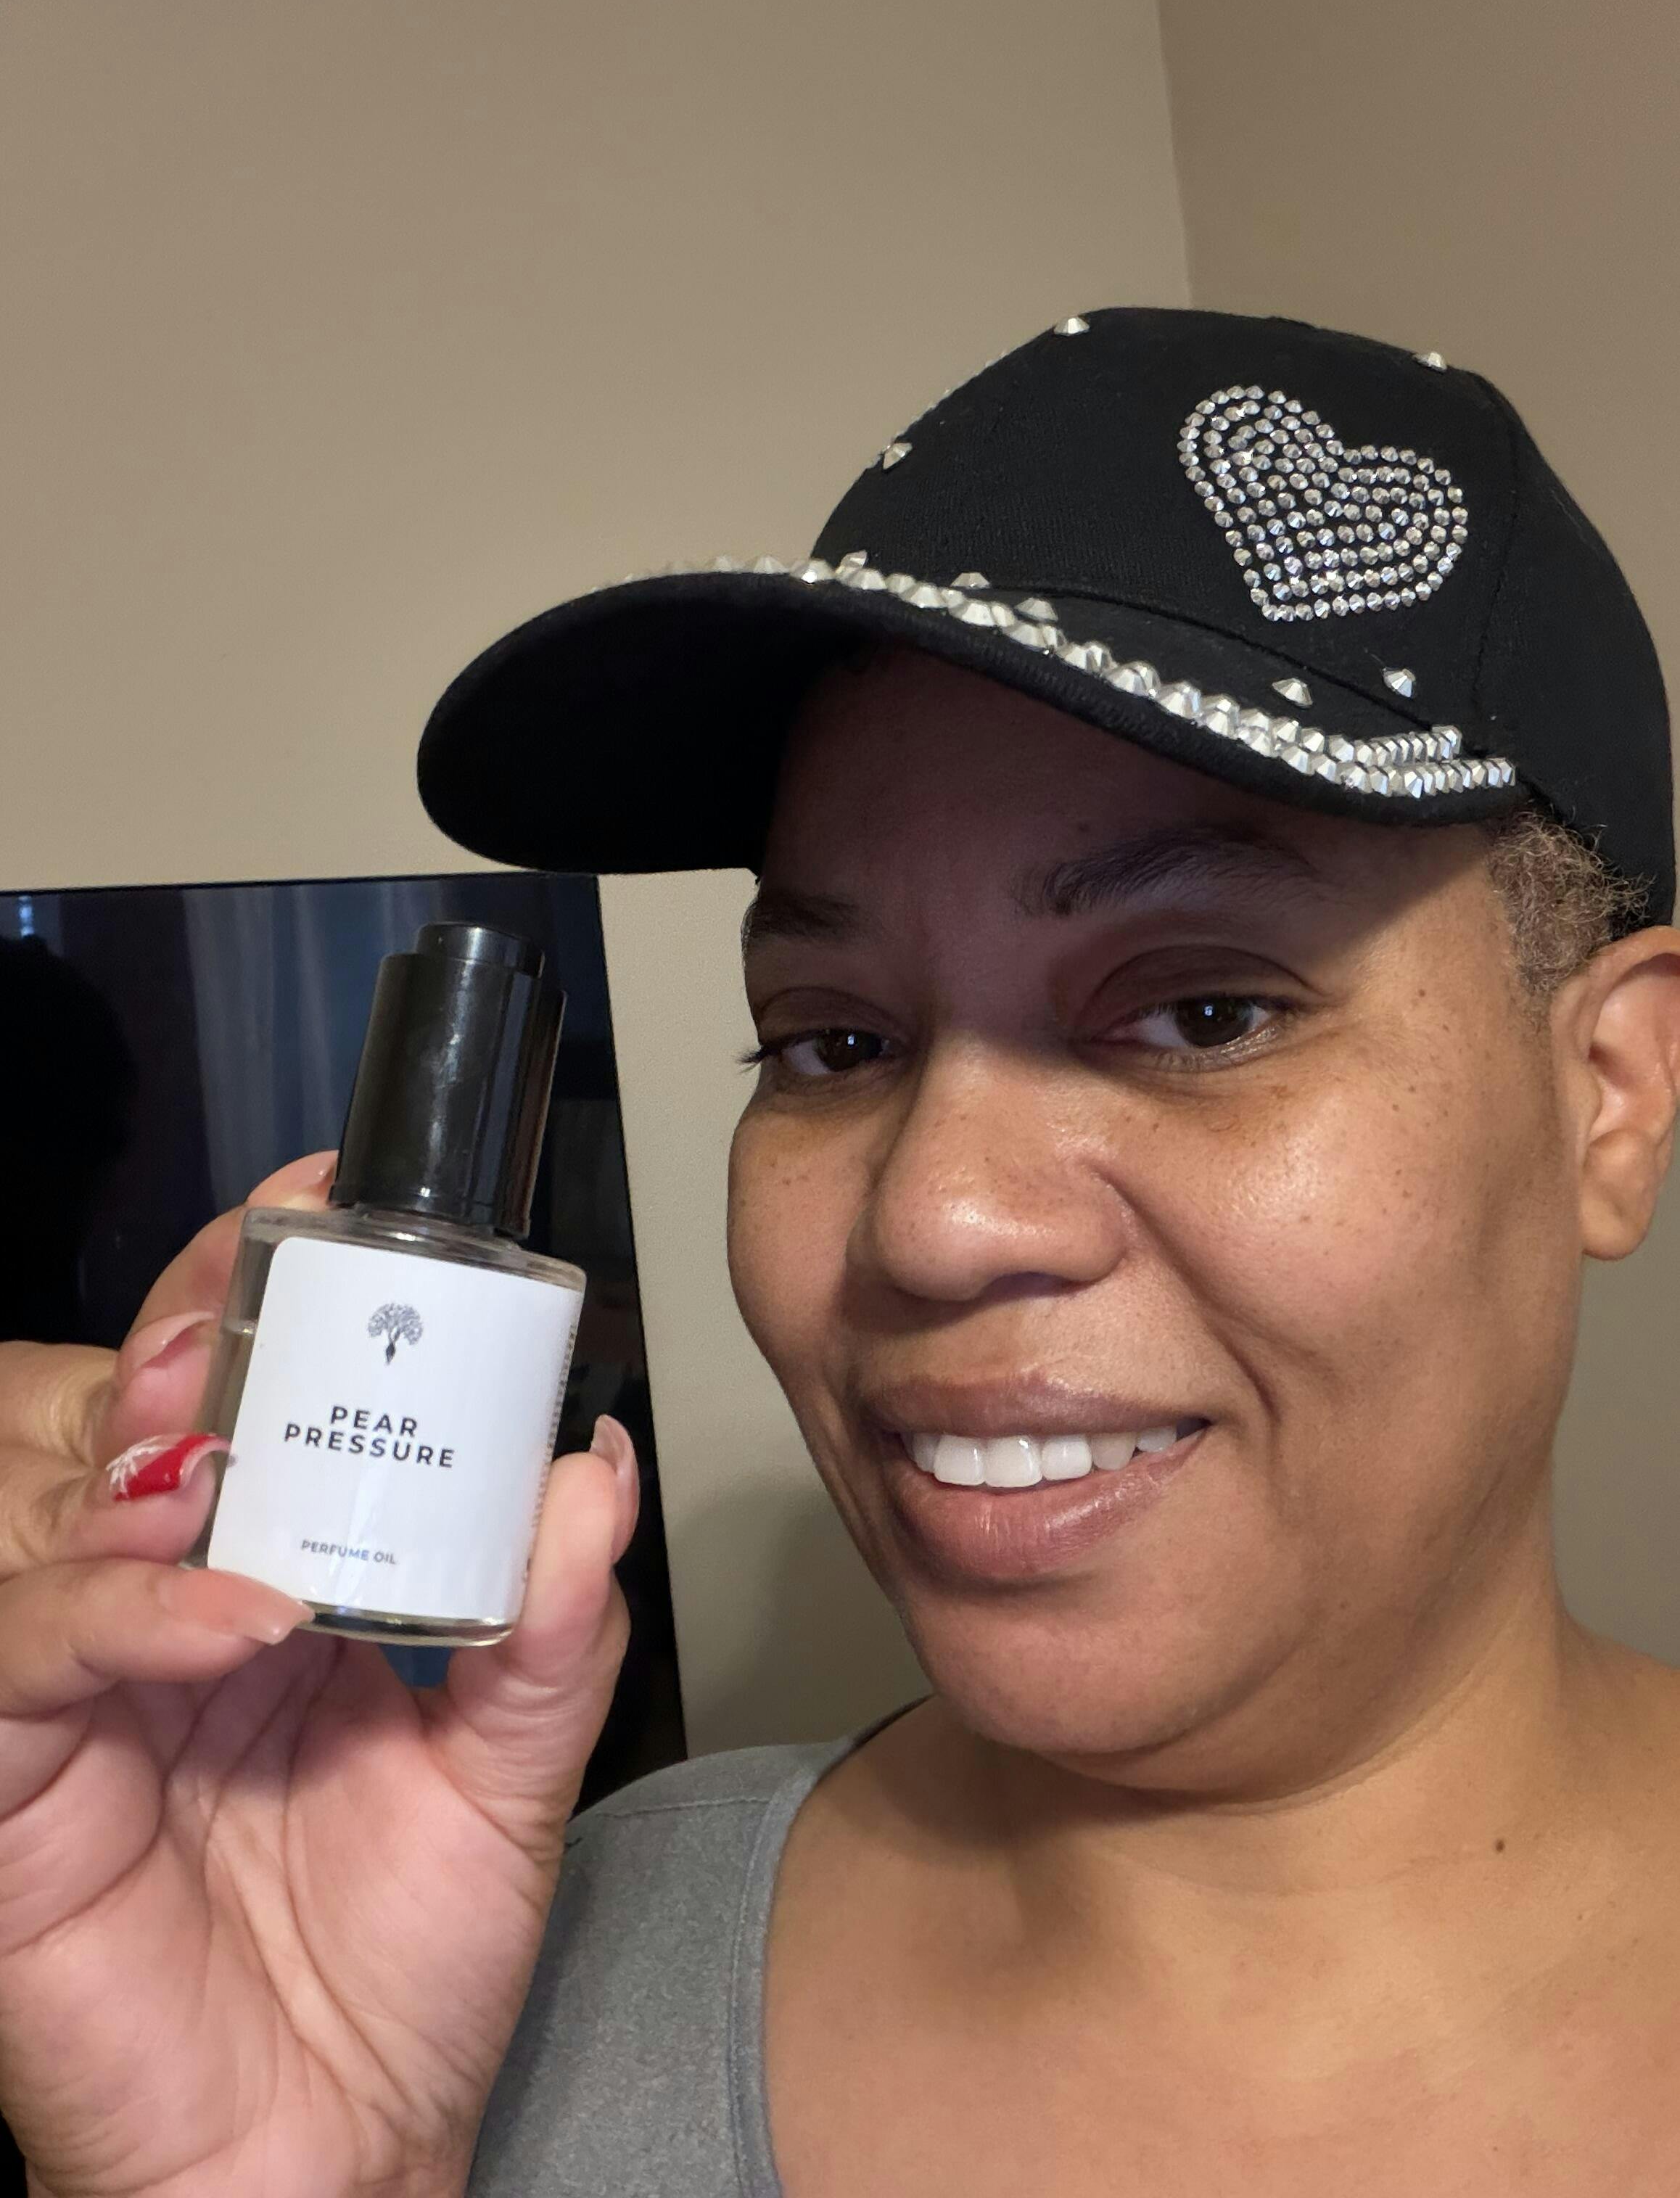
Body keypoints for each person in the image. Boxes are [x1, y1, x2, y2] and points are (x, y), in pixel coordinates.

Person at [1, 307, 1678, 2196]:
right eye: (836, 1042)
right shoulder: (483, 1980)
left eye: (1202, 1012)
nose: (929, 1219)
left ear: (1609, 1092)